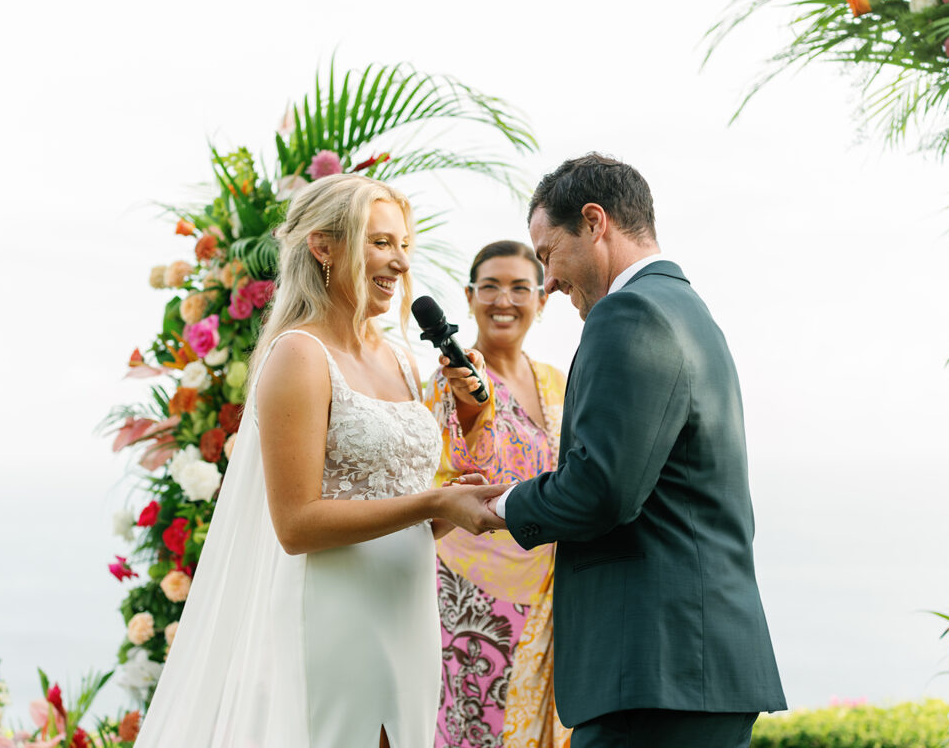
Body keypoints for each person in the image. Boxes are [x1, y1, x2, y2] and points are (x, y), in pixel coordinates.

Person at [134, 174, 498, 748]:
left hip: (408, 611)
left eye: (404, 244)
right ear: (323, 246)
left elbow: (399, 504)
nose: (399, 262)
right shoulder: (300, 356)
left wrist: (450, 507)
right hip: (335, 611)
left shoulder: (402, 360)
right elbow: (296, 524)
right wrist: (434, 498)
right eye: (380, 242)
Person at [453, 154, 787, 747]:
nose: (548, 282)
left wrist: (498, 506)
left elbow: (601, 490)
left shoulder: (626, 313)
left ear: (593, 221)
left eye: (549, 254)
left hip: (654, 672)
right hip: (695, 669)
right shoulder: (688, 310)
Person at [424, 240, 572, 748]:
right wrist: (469, 400)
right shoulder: (455, 378)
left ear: (542, 299)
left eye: (518, 287)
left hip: (555, 593)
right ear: (468, 297)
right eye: (489, 286)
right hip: (472, 595)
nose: (503, 300)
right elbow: (455, 454)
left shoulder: (560, 382)